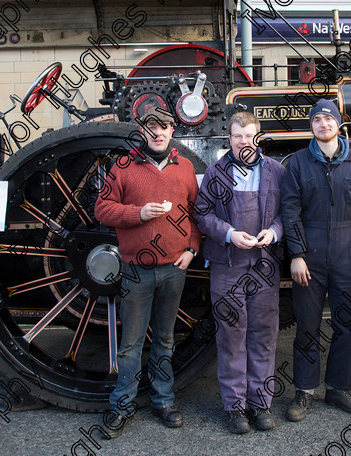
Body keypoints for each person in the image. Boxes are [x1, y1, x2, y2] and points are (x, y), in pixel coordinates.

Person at [93, 104, 201, 437]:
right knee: (131, 343)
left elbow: (197, 213)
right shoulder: (123, 166)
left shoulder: (185, 168)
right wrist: (138, 215)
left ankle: (163, 400)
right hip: (136, 270)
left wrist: (192, 249)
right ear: (143, 130)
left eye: (165, 126)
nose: (158, 132)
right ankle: (122, 404)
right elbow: (102, 209)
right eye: (152, 126)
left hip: (173, 268)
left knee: (165, 340)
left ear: (173, 131)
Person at [280, 98, 351, 421]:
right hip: (310, 257)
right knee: (307, 327)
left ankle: (339, 388)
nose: (323, 124)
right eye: (317, 120)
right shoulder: (297, 163)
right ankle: (305, 390)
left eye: (328, 119)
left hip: (348, 255)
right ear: (310, 126)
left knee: (347, 326)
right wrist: (296, 255)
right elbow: (290, 212)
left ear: (338, 125)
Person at [195, 112, 285, 434]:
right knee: (232, 337)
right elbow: (202, 214)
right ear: (229, 139)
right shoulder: (215, 174)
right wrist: (230, 234)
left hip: (263, 266)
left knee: (263, 336)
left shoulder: (276, 171)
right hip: (227, 265)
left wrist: (273, 232)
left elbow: (289, 212)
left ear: (257, 137)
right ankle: (235, 407)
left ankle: (261, 405)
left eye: (249, 135)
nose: (244, 141)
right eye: (237, 136)